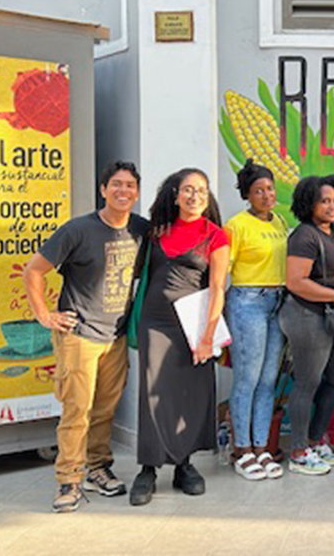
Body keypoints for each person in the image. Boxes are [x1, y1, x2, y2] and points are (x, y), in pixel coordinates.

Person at [24, 162, 148, 513]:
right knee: (76, 410)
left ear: (137, 193)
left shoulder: (141, 230)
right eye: (116, 185)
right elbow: (34, 270)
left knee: (105, 409)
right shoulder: (78, 230)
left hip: (117, 336)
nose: (123, 191)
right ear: (103, 189)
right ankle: (69, 479)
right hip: (80, 335)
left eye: (130, 186)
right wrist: (44, 315)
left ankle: (98, 467)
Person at [129, 168, 229, 506]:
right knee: (152, 395)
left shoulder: (217, 235)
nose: (194, 196)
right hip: (154, 322)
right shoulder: (157, 231)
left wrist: (207, 336)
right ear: (175, 194)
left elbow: (217, 289)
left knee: (187, 394)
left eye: (201, 190)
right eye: (187, 189)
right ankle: (148, 469)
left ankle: (184, 465)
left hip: (192, 326)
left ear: (208, 196)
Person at [280, 175, 334, 475]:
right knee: (307, 383)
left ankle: (313, 438)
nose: (332, 206)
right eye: (324, 200)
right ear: (309, 203)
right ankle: (298, 451)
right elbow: (295, 282)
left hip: (329, 318)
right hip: (306, 315)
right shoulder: (304, 236)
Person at [224, 160, 288, 481]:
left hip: (277, 303)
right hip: (247, 302)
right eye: (258, 191)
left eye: (269, 189)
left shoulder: (279, 221)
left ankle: (262, 446)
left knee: (267, 380)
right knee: (247, 379)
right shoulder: (236, 225)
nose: (266, 195)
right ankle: (242, 449)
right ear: (247, 196)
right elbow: (222, 268)